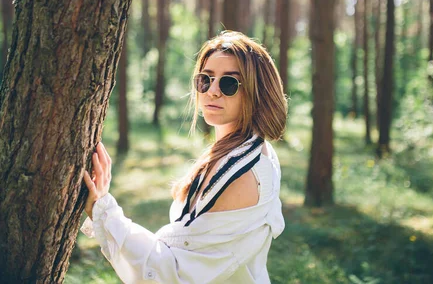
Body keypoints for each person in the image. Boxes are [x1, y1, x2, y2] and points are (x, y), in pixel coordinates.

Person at [81, 30, 288, 283]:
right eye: (206, 79)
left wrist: (102, 209)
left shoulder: (240, 172)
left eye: (229, 83)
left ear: (257, 92)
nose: (212, 91)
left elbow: (173, 274)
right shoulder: (251, 148)